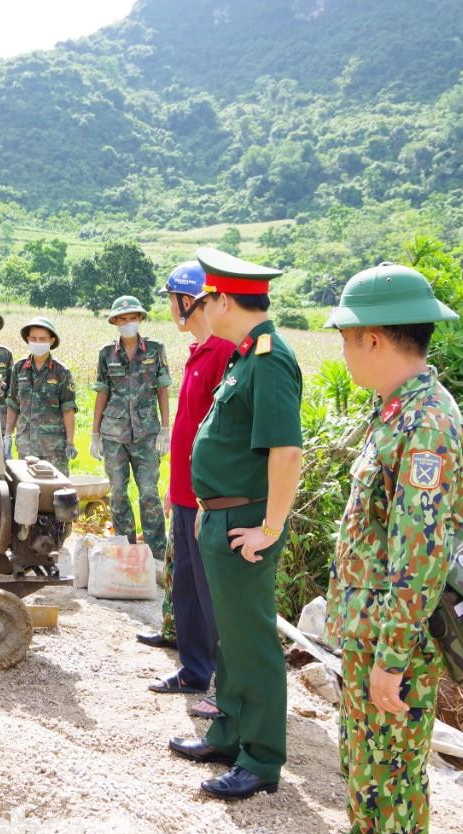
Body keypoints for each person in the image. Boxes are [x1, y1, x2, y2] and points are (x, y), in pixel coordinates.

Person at [301, 262, 463, 834]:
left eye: (347, 340)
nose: (345, 353)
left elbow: (420, 552)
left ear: (372, 338)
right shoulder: (398, 408)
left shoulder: (427, 423)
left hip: (393, 639)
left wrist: (392, 658)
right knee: (366, 767)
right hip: (372, 629)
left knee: (392, 778)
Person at [168, 248, 301, 801]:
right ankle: (228, 733)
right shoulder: (245, 357)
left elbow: (286, 453)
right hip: (218, 517)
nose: (201, 308)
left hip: (246, 520)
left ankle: (262, 758)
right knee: (229, 640)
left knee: (252, 642)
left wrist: (269, 529)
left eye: (206, 299)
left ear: (224, 300)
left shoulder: (269, 359)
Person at [142, 263, 235, 718]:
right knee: (185, 589)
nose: (169, 308)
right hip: (183, 491)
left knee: (210, 591)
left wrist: (202, 495)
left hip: (205, 497)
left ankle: (222, 682)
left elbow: (223, 434)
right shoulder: (198, 350)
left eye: (170, 299)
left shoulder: (223, 353)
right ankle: (193, 671)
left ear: (188, 300)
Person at [91, 294, 171, 572]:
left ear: (140, 319)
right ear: (115, 322)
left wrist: (165, 428)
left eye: (132, 318)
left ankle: (156, 554)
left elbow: (163, 389)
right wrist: (94, 434)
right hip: (113, 433)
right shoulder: (106, 354)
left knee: (148, 491)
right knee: (117, 492)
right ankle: (123, 548)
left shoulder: (155, 349)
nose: (128, 323)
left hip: (147, 432)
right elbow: (102, 393)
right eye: (122, 319)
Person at [6, 317, 77, 474]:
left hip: (53, 448)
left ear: (51, 341)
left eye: (42, 339)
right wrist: (7, 436)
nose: (38, 342)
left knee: (56, 492)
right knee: (27, 491)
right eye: (34, 339)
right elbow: (13, 405)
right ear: (28, 340)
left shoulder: (61, 372)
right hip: (26, 445)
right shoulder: (18, 369)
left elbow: (68, 409)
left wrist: (70, 442)